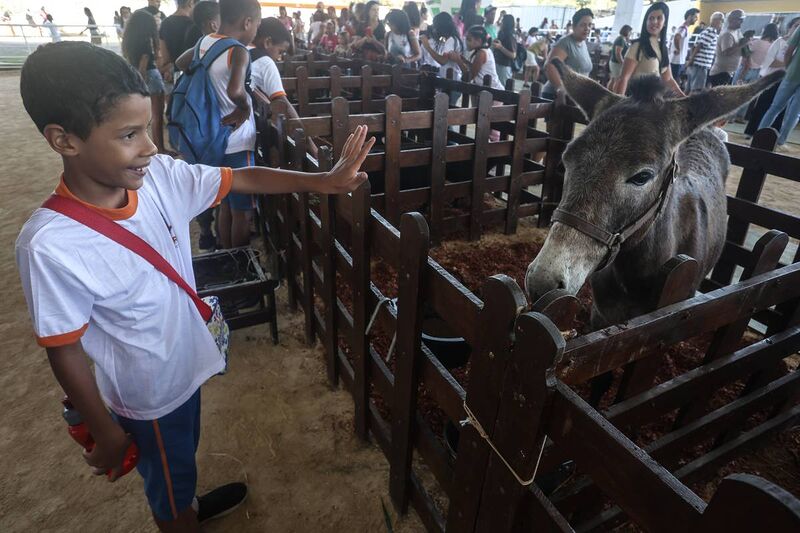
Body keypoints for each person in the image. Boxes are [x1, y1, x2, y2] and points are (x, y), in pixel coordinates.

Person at [17, 39, 372, 533]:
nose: (148, 145)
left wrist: (324, 182)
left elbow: (240, 180)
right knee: (168, 478)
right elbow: (65, 348)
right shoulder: (51, 244)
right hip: (150, 395)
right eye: (128, 134)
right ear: (64, 140)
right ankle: (180, 517)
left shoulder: (160, 176)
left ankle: (188, 503)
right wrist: (105, 431)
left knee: (181, 458)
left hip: (184, 363)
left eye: (147, 128)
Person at [173, 0, 259, 249]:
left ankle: (226, 254)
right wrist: (243, 106)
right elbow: (235, 90)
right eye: (258, 24)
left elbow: (180, 62)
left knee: (226, 205)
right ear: (247, 22)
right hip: (237, 140)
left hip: (212, 138)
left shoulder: (205, 42)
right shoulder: (238, 50)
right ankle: (240, 265)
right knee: (242, 212)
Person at [745, 17, 800, 138]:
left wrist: (789, 65)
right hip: (773, 77)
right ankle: (756, 134)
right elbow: (770, 62)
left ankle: (775, 138)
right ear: (790, 27)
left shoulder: (794, 40)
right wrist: (789, 65)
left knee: (785, 111)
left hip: (788, 76)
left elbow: (788, 54)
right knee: (770, 107)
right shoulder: (780, 41)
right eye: (796, 25)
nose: (797, 27)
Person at [122, 11, 168, 155]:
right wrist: (142, 79)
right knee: (157, 115)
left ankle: (156, 147)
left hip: (138, 76)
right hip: (151, 77)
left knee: (147, 117)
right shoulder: (145, 41)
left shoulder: (130, 41)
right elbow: (144, 61)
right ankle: (160, 147)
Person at [616, 2, 684, 97]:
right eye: (651, 18)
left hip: (653, 103)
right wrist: (619, 105)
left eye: (659, 18)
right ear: (646, 21)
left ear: (664, 23)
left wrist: (685, 98)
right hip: (635, 102)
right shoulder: (638, 46)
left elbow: (668, 79)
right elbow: (624, 78)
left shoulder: (663, 48)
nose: (654, 21)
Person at [543, 8, 593, 100]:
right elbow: (550, 67)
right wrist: (563, 91)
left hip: (577, 97)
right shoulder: (565, 43)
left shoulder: (583, 43)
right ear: (574, 26)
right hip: (557, 97)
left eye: (590, 25)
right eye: (583, 25)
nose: (587, 28)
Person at [419, 12, 464, 105]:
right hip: (447, 80)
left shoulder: (451, 40)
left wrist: (427, 46)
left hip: (453, 81)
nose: (434, 29)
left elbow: (442, 61)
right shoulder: (447, 40)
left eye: (436, 26)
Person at [158, 0, 196, 97]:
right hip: (194, 75)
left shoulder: (165, 23)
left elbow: (165, 57)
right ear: (190, 2)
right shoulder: (196, 24)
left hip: (175, 75)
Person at [451, 24, 503, 90]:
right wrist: (463, 60)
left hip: (493, 93)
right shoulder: (485, 50)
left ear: (479, 41)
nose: (466, 42)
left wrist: (458, 61)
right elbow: (475, 68)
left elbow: (469, 77)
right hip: (488, 92)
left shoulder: (481, 53)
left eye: (469, 39)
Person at [708, 9, 749, 87]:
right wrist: (740, 45)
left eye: (742, 19)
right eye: (739, 19)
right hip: (721, 73)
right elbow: (726, 52)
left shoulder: (737, 31)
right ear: (732, 19)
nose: (742, 22)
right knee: (719, 98)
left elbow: (742, 46)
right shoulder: (727, 34)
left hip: (728, 72)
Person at [685, 11, 724, 93]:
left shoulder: (706, 31)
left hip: (698, 65)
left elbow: (695, 46)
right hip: (701, 65)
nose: (722, 23)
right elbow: (699, 45)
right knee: (696, 90)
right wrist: (691, 60)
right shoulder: (712, 31)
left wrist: (691, 60)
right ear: (715, 20)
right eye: (721, 20)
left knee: (689, 88)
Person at [669, 8, 699, 83]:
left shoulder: (685, 28)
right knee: (673, 81)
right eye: (695, 17)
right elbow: (677, 37)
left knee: (676, 81)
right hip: (677, 61)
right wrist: (678, 49)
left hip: (679, 60)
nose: (696, 19)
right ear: (689, 16)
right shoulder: (683, 28)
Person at [492, 14, 516, 88]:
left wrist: (501, 47)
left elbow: (513, 55)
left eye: (503, 21)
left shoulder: (510, 37)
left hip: (504, 66)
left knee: (502, 88)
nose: (501, 22)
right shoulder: (501, 34)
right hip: (497, 63)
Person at [607, 25, 631, 92]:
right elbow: (618, 53)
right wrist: (623, 63)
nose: (630, 34)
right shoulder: (621, 39)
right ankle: (614, 94)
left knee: (613, 79)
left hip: (614, 62)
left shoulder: (621, 39)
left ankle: (608, 92)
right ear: (627, 31)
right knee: (617, 80)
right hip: (616, 63)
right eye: (630, 32)